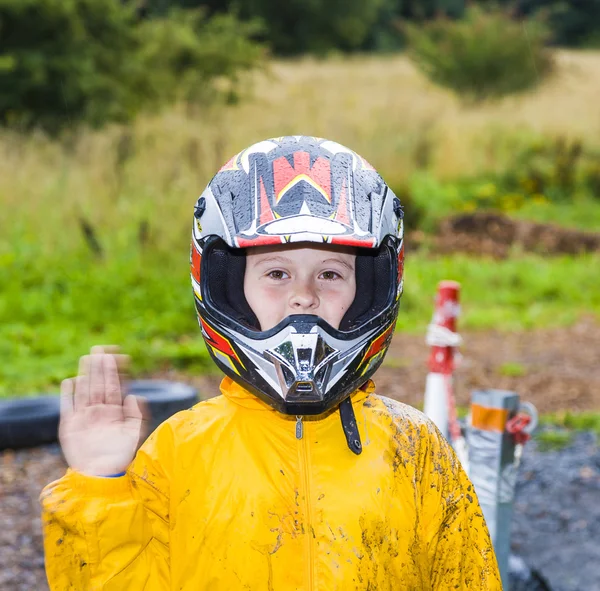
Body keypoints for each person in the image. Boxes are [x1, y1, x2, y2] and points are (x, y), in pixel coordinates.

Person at [41, 136, 501, 590]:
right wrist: (99, 485)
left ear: (370, 290)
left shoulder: (416, 450)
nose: (304, 295)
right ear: (230, 287)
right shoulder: (178, 452)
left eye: (330, 273)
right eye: (277, 273)